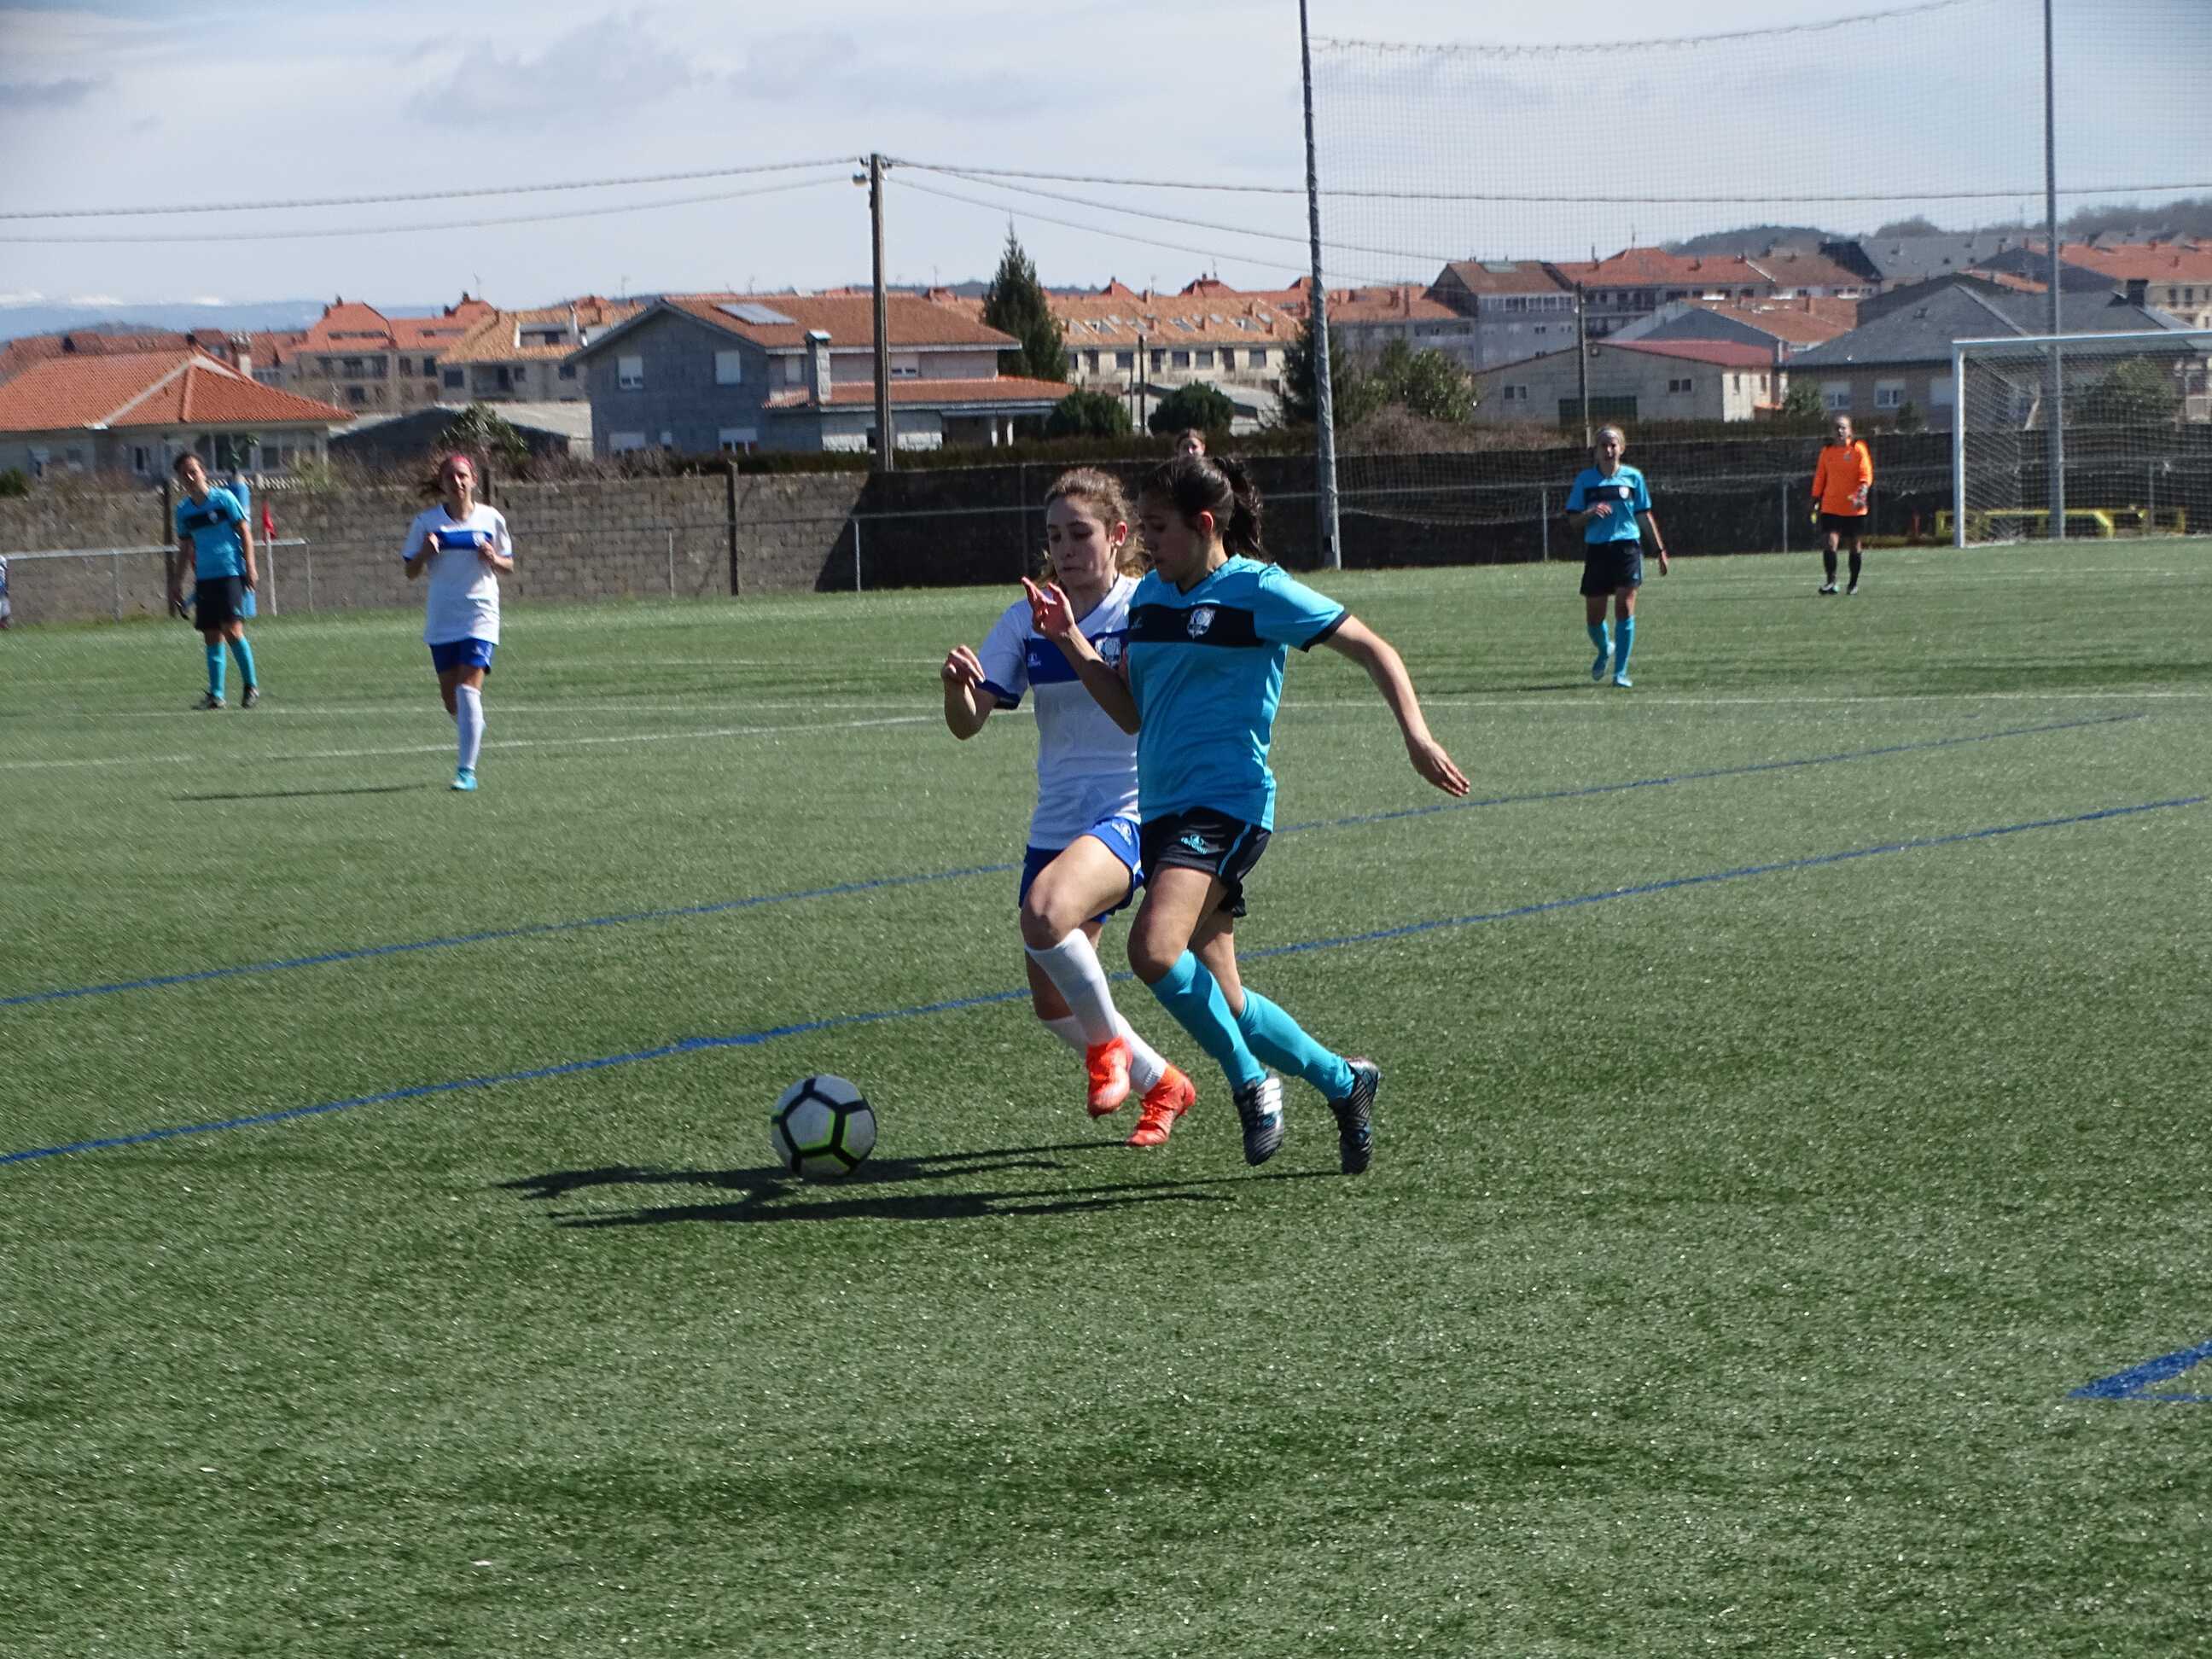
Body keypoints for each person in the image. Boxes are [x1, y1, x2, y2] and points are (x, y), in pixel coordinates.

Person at [1028, 453, 1469, 1175]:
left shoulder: (1257, 591)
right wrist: (1071, 642)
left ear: (1204, 525)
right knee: (1228, 1003)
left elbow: (1373, 648)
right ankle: (1344, 1081)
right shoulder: (1151, 599)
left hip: (1227, 806)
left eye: (1158, 528)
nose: (1146, 541)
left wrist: (1416, 736)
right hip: (1166, 813)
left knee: (1151, 950)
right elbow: (1132, 713)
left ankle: (1249, 1083)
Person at [940, 469, 1198, 1149]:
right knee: (1054, 1004)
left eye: (1080, 533)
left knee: (1045, 912)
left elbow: (1137, 712)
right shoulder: (1025, 618)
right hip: (1055, 820)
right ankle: (1164, 1083)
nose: (1065, 549)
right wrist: (956, 690)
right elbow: (968, 723)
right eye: (1055, 536)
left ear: (1118, 536)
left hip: (1132, 809)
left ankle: (1108, 1048)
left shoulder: (1145, 606)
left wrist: (1069, 640)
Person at [400, 451, 513, 792]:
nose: (457, 482)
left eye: (463, 476)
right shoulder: (426, 522)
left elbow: (509, 565)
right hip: (443, 617)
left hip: (481, 613)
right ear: (442, 483)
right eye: (450, 476)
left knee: (467, 689)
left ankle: (466, 772)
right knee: (453, 701)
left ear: (473, 480)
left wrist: (494, 559)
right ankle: (472, 725)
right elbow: (410, 571)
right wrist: (425, 553)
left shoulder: (491, 518)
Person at [1565, 424, 1669, 689]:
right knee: (1594, 619)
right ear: (1596, 451)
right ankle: (1604, 649)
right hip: (1598, 551)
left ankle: (1620, 673)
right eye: (1603, 445)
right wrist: (1590, 514)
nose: (1608, 450)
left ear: (1621, 448)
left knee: (1624, 606)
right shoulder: (1585, 481)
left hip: (1627, 548)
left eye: (1613, 445)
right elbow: (1573, 521)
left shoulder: (1633, 478)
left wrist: (1659, 550)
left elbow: (1643, 515)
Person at [167, 453, 260, 708]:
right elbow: (185, 547)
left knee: (232, 630)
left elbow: (245, 532)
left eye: (193, 471)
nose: (189, 477)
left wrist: (250, 566)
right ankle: (216, 695)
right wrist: (177, 581)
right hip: (205, 579)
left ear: (203, 472)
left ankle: (251, 686)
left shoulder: (224, 499)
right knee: (211, 635)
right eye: (184, 474)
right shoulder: (183, 511)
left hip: (230, 573)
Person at [1810, 414, 1873, 594]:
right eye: (1837, 427)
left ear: (1850, 431)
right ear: (1832, 431)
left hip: (1854, 508)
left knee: (1855, 545)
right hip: (1831, 505)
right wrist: (1815, 497)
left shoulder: (1858, 449)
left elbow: (1866, 475)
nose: (1840, 431)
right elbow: (1820, 476)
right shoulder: (1827, 451)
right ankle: (1831, 582)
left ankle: (1853, 584)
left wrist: (1862, 493)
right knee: (1830, 543)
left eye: (1843, 427)